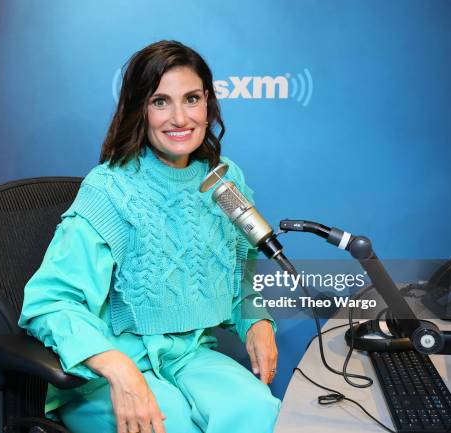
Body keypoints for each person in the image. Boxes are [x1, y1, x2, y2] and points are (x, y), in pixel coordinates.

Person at [18, 40, 280, 433]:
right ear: (140, 109)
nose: (179, 118)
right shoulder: (110, 189)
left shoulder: (225, 180)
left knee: (258, 412)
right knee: (167, 425)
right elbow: (50, 302)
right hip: (110, 365)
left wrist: (256, 321)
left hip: (191, 355)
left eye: (191, 99)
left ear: (208, 103)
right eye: (161, 102)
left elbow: (241, 273)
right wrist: (119, 370)